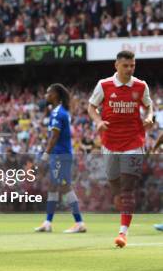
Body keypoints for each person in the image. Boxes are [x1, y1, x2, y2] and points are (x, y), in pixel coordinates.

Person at [88, 51, 154, 248]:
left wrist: (149, 117)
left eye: (132, 66)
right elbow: (92, 107)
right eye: (125, 66)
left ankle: (122, 233)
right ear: (116, 65)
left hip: (134, 141)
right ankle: (120, 202)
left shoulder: (141, 86)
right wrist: (98, 121)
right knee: (116, 187)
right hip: (110, 142)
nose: (129, 69)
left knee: (127, 188)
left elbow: (149, 106)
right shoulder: (104, 85)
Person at [35, 83, 86, 233]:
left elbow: (54, 137)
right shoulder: (58, 111)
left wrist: (45, 155)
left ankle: (79, 222)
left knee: (64, 187)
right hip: (60, 155)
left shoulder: (58, 113)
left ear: (55, 95)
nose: (46, 96)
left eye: (48, 93)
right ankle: (48, 222)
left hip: (60, 155)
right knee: (53, 186)